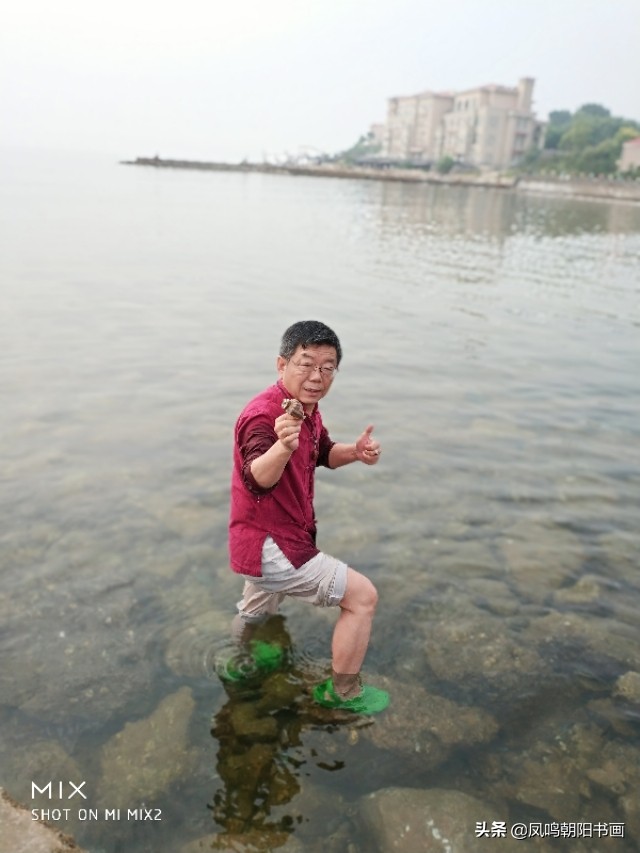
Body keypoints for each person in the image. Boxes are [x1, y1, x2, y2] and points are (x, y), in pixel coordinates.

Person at [227, 320, 389, 714]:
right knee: (362, 597)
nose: (317, 376)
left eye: (328, 366)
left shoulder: (305, 409)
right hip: (273, 547)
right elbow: (257, 477)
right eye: (306, 363)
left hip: (259, 544)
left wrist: (356, 451)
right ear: (281, 364)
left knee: (255, 610)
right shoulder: (264, 416)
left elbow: (321, 452)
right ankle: (343, 692)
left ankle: (240, 662)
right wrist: (283, 446)